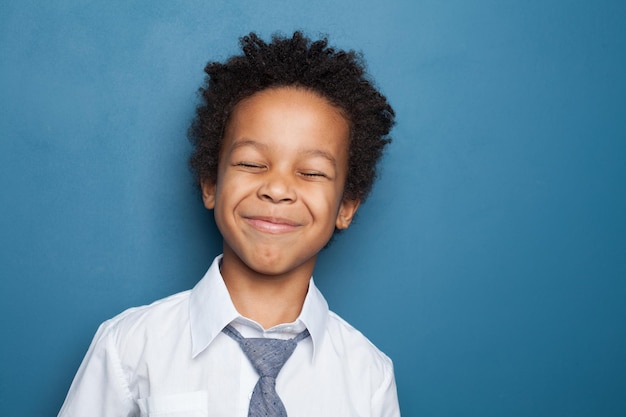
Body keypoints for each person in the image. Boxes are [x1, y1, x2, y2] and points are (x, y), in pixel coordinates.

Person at [58, 31, 399, 417]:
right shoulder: (129, 348)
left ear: (346, 206)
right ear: (211, 184)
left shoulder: (369, 376)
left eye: (311, 172)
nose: (277, 189)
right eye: (251, 164)